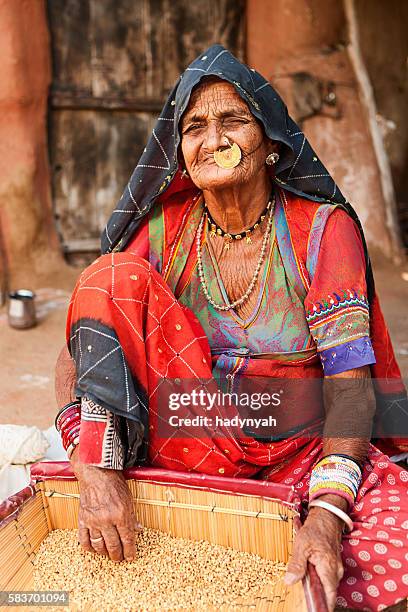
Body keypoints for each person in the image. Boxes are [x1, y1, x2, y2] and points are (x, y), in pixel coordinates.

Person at [55, 45, 408, 611]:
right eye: (194, 127)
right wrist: (95, 473)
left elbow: (350, 391)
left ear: (270, 143)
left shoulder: (321, 230)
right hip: (188, 444)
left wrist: (325, 517)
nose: (212, 138)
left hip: (302, 451)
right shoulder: (166, 230)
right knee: (108, 276)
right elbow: (83, 346)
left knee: (374, 556)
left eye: (233, 120)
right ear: (181, 154)